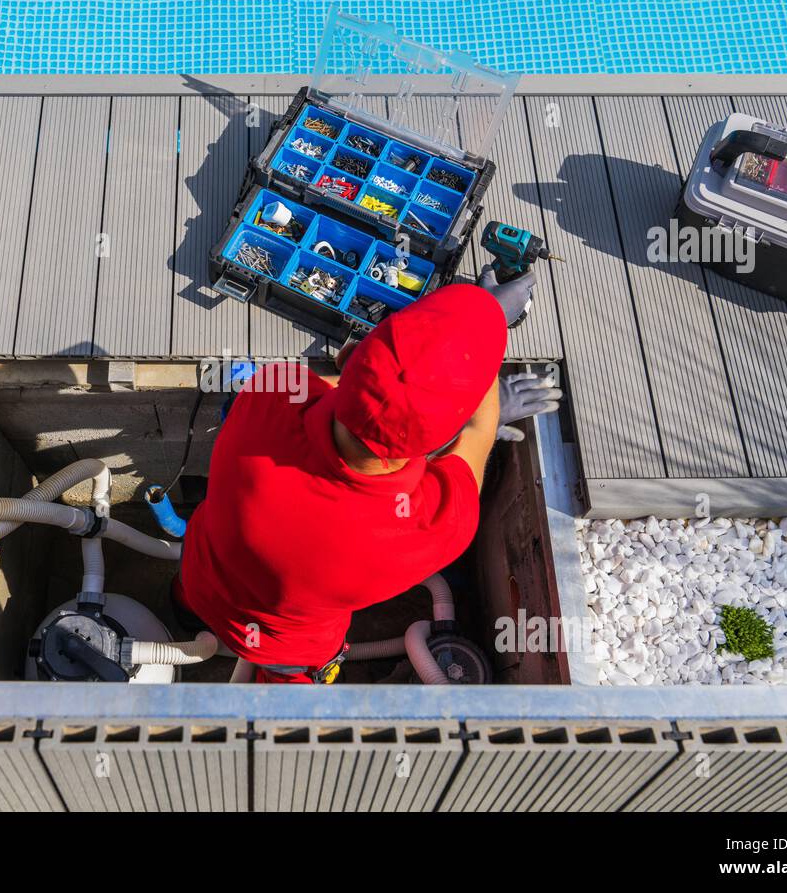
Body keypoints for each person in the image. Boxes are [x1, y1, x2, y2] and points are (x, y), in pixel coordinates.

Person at [172, 271, 561, 683]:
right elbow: (476, 437)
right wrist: (484, 332)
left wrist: (473, 318)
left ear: (347, 356)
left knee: (192, 595)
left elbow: (367, 400)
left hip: (199, 575)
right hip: (286, 650)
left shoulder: (270, 394)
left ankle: (179, 612)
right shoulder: (433, 525)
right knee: (291, 687)